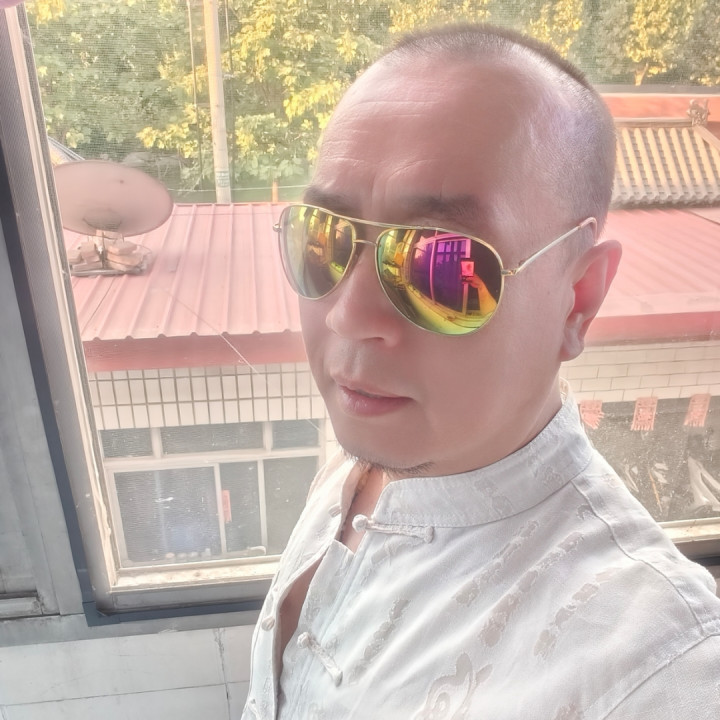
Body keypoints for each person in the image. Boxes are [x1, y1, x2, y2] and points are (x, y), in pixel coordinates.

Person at [242, 23, 720, 719]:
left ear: (578, 298)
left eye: (444, 264)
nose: (348, 314)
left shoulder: (656, 671)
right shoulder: (359, 456)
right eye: (325, 238)